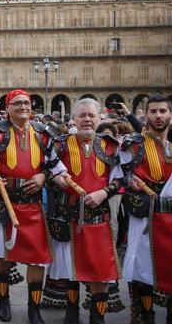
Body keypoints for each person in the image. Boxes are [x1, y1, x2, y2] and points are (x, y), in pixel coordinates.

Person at [0, 89, 67, 324]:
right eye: (17, 103)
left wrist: (43, 176)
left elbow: (55, 165)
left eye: (26, 103)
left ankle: (33, 308)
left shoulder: (44, 133)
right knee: (2, 256)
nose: (23, 107)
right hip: (3, 205)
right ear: (7, 108)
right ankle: (4, 302)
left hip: (32, 203)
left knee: (37, 258)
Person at [47, 98, 123, 324]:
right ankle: (71, 312)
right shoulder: (59, 145)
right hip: (68, 215)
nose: (87, 120)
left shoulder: (112, 145)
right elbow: (48, 174)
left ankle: (96, 316)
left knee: (100, 268)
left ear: (100, 118)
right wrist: (56, 179)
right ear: (74, 119)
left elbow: (119, 179)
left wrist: (103, 193)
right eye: (82, 115)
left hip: (100, 216)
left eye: (91, 115)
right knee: (71, 267)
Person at [120, 94, 172, 324]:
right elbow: (119, 174)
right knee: (142, 266)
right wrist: (129, 182)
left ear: (170, 115)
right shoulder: (133, 144)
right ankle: (145, 316)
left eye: (162, 111)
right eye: (153, 111)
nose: (158, 116)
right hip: (143, 216)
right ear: (145, 115)